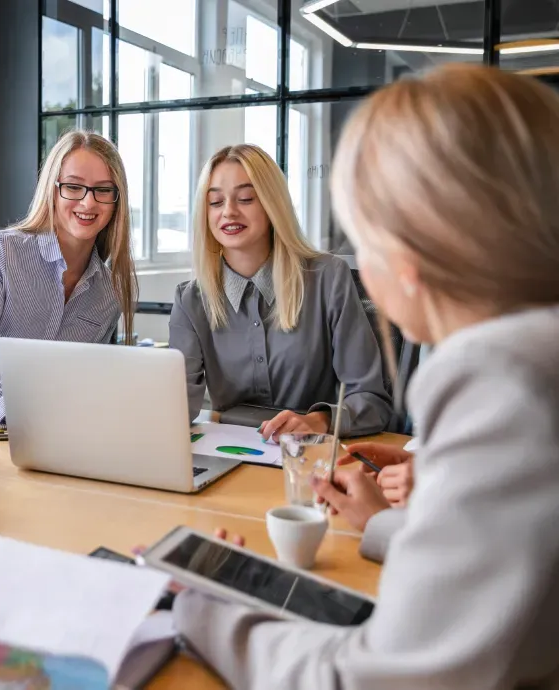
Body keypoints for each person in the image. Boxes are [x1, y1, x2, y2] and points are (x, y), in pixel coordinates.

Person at [172, 64, 559, 687]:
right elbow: (503, 558)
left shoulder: (499, 379)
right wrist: (390, 518)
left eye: (364, 231)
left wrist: (205, 612)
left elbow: (377, 679)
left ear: (418, 244)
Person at [168, 144, 391, 439]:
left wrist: (320, 420)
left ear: (273, 204)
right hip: (231, 455)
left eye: (246, 198)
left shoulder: (327, 279)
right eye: (216, 202)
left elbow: (371, 400)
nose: (229, 212)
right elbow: (174, 409)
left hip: (310, 455)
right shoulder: (190, 300)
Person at [0, 130, 136, 423]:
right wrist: (12, 414)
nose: (89, 203)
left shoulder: (109, 291)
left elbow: (82, 377)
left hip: (40, 415)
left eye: (103, 190)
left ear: (116, 201)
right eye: (74, 187)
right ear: (52, 189)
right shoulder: (0, 251)